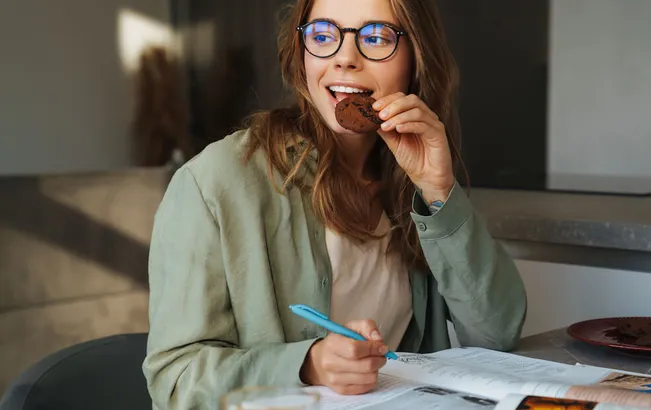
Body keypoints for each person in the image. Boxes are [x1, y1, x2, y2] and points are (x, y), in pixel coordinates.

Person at [142, 0, 527, 408]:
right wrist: (307, 364)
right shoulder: (215, 182)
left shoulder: (411, 176)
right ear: (302, 54)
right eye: (323, 35)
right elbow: (175, 380)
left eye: (376, 37)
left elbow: (496, 335)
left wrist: (438, 191)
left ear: (417, 58)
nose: (345, 58)